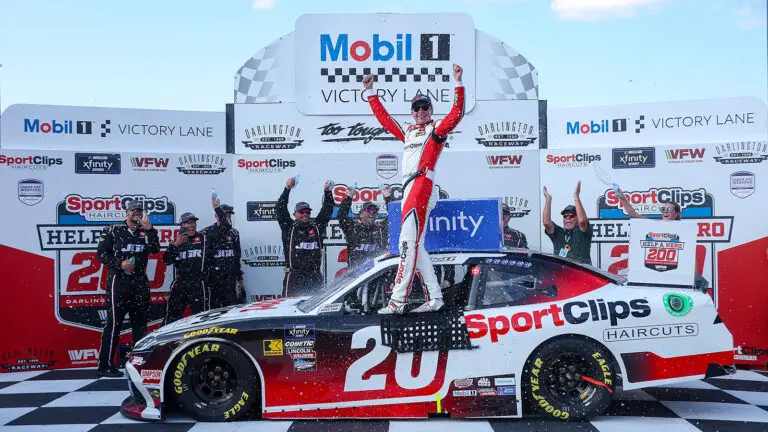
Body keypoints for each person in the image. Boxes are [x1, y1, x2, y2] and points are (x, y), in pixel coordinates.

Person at [362, 63, 465, 314]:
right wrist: (370, 91)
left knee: (407, 244)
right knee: (415, 246)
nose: (420, 111)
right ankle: (435, 298)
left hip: (422, 184)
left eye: (424, 107)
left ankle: (398, 302)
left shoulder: (435, 129)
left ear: (431, 110)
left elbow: (457, 113)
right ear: (412, 112)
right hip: (409, 187)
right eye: (416, 107)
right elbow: (385, 120)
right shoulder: (407, 131)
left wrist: (458, 82)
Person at [96, 200, 160, 378]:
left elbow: (155, 249)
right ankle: (105, 365)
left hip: (140, 281)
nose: (136, 214)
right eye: (133, 211)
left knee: (140, 325)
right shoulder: (113, 230)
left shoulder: (146, 230)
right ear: (126, 213)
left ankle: (138, 365)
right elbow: (101, 253)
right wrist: (120, 263)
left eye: (139, 211)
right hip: (119, 281)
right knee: (114, 323)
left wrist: (150, 230)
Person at [614, 188, 708, 289]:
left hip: (676, 278)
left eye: (669, 209)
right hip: (654, 276)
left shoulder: (684, 231)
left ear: (676, 214)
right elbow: (634, 215)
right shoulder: (654, 225)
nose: (665, 212)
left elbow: (691, 255)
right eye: (663, 209)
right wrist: (622, 198)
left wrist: (695, 276)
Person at [276, 177, 335, 297]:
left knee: (316, 310)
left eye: (307, 212)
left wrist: (327, 192)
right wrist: (287, 189)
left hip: (314, 276)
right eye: (301, 212)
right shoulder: (289, 227)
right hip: (294, 277)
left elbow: (327, 210)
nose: (305, 214)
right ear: (294, 214)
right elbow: (280, 209)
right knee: (288, 308)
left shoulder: (317, 226)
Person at [163, 212, 207, 325]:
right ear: (182, 225)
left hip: (198, 283)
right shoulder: (177, 241)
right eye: (188, 223)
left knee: (201, 319)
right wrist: (175, 245)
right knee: (171, 319)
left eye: (193, 222)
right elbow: (166, 260)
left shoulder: (203, 238)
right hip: (181, 283)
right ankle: (168, 342)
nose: (191, 225)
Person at [201, 197, 244, 308]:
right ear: (216, 216)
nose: (227, 217)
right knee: (213, 311)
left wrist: (239, 279)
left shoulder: (234, 233)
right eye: (225, 214)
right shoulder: (206, 232)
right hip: (213, 279)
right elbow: (203, 259)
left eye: (229, 215)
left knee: (231, 310)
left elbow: (236, 257)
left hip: (230, 280)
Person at [337, 185, 393, 268]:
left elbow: (394, 217)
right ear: (361, 214)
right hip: (356, 275)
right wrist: (349, 197)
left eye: (375, 211)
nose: (372, 213)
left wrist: (388, 197)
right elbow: (341, 215)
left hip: (374, 274)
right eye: (369, 210)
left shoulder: (380, 229)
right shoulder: (353, 228)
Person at [542, 181, 593, 265]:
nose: (568, 218)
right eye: (565, 216)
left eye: (572, 215)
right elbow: (546, 223)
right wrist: (548, 199)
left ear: (577, 218)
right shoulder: (559, 233)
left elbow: (582, 221)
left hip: (581, 275)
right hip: (561, 274)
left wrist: (576, 196)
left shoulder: (583, 232)